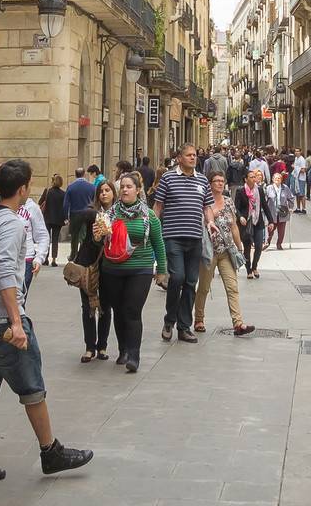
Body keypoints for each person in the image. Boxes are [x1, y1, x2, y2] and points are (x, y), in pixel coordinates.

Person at [0, 158, 93, 485]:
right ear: (24, 189)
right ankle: (50, 451)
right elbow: (4, 272)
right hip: (3, 320)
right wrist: (16, 322)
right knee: (32, 387)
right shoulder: (13, 224)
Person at [99, 173, 168, 371]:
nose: (125, 190)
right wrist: (99, 233)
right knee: (118, 311)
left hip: (141, 269)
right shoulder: (110, 214)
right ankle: (123, 349)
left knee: (132, 311)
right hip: (112, 269)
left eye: (129, 187)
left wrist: (161, 270)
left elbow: (158, 243)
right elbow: (98, 240)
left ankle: (134, 355)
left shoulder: (148, 215)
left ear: (138, 190)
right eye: (122, 187)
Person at [152, 142, 216, 342]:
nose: (193, 158)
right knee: (177, 277)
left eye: (195, 155)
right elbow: (158, 206)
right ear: (179, 158)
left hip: (195, 238)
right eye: (188, 155)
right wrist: (152, 230)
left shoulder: (203, 181)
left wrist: (211, 221)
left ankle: (183, 326)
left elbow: (207, 207)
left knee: (190, 282)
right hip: (173, 238)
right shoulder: (168, 178)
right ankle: (169, 320)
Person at [194, 171, 255, 337]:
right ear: (210, 183)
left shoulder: (228, 202)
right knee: (204, 288)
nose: (220, 184)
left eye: (222, 181)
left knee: (232, 287)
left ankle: (238, 323)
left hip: (227, 251)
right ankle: (199, 319)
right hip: (209, 251)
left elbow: (234, 226)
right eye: (216, 181)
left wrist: (239, 246)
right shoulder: (203, 202)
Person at [76, 180, 117, 362]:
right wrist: (98, 222)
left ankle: (102, 346)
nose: (104, 194)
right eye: (101, 191)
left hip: (109, 266)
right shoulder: (92, 212)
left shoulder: (119, 214)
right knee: (88, 307)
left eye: (108, 190)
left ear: (113, 194)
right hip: (88, 265)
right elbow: (83, 215)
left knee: (105, 307)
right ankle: (89, 347)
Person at [235, 167, 268, 279]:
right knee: (247, 248)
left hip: (258, 221)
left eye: (255, 177)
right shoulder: (241, 191)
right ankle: (249, 270)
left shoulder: (259, 190)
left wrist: (271, 221)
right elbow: (236, 208)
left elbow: (265, 205)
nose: (254, 179)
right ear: (245, 179)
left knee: (259, 246)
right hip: (245, 223)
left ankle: (255, 266)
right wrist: (240, 217)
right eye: (251, 177)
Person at [20, 189, 50, 298]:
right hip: (2, 260)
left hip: (25, 260)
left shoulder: (31, 207)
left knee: (19, 302)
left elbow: (42, 235)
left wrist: (39, 258)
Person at [63, 167, 96, 258]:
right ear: (84, 174)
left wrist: (66, 216)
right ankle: (83, 254)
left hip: (75, 214)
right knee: (84, 235)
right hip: (87, 214)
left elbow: (66, 204)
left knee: (74, 236)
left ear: (75, 174)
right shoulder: (91, 186)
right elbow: (94, 201)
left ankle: (73, 255)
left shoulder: (71, 187)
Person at [263, 169, 294, 250]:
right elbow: (265, 199)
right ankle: (267, 242)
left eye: (279, 178)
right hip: (272, 211)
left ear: (281, 179)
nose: (277, 180)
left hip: (282, 211)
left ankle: (279, 244)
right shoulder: (269, 188)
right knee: (271, 229)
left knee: (281, 230)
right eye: (276, 178)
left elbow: (291, 198)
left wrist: (290, 207)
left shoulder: (285, 188)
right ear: (273, 179)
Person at [42, 174, 65, 265]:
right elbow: (64, 207)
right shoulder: (63, 194)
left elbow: (41, 202)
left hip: (47, 218)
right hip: (58, 219)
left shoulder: (48, 191)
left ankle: (46, 258)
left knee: (47, 238)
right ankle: (54, 259)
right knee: (55, 239)